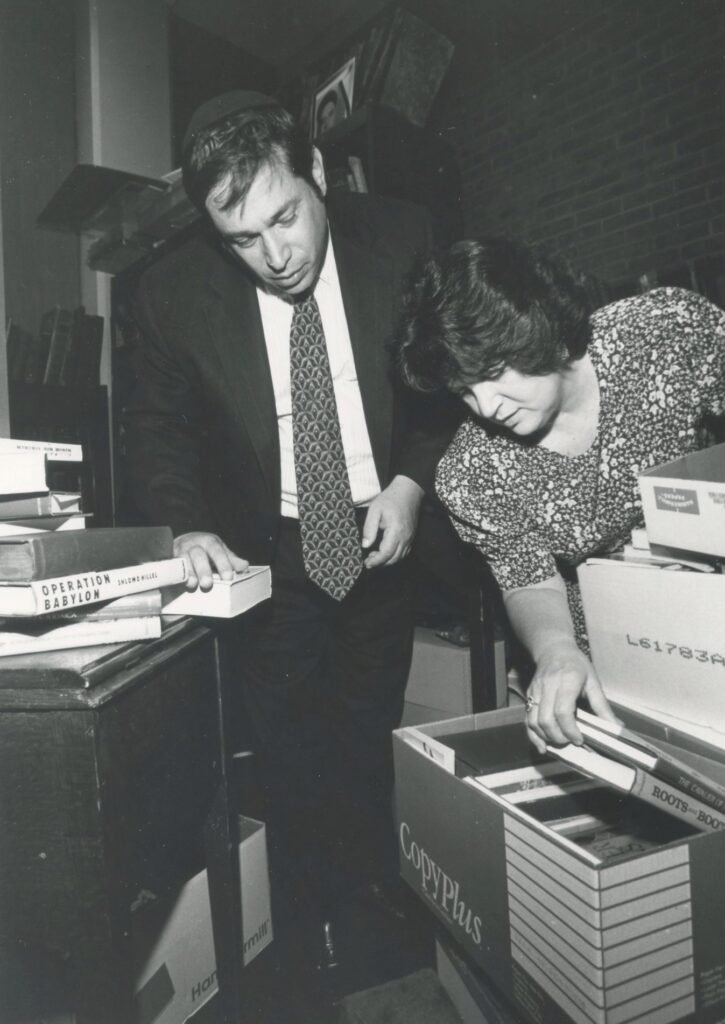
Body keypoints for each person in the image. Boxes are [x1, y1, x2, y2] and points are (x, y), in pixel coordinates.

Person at [120, 91, 443, 942]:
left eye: (285, 218)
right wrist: (187, 525)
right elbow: (154, 428)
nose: (274, 256)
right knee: (286, 739)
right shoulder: (169, 291)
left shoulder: (402, 238)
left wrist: (411, 483)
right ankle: (306, 915)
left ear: (319, 174)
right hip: (265, 548)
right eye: (241, 239)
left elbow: (448, 382)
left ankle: (368, 896)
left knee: (368, 723)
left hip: (381, 530)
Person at [394, 237, 725, 754]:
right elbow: (528, 578)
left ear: (537, 323)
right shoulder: (473, 469)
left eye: (491, 373)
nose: (485, 406)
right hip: (614, 651)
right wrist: (555, 652)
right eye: (463, 389)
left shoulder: (666, 332)